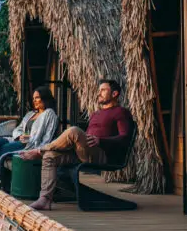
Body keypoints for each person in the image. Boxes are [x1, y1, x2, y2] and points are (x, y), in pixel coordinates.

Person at [20, 78, 133, 211]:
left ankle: (39, 150)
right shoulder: (96, 114)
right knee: (50, 156)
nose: (99, 93)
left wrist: (101, 141)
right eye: (99, 90)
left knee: (74, 130)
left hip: (101, 154)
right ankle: (45, 199)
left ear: (114, 94)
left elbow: (125, 138)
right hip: (82, 152)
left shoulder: (121, 112)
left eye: (103, 90)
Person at [0, 86, 59, 185]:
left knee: (0, 149)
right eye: (33, 98)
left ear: (45, 98)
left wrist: (33, 142)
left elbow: (47, 137)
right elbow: (18, 129)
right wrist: (19, 136)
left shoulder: (50, 114)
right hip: (16, 140)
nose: (34, 101)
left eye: (37, 97)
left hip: (28, 145)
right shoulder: (30, 114)